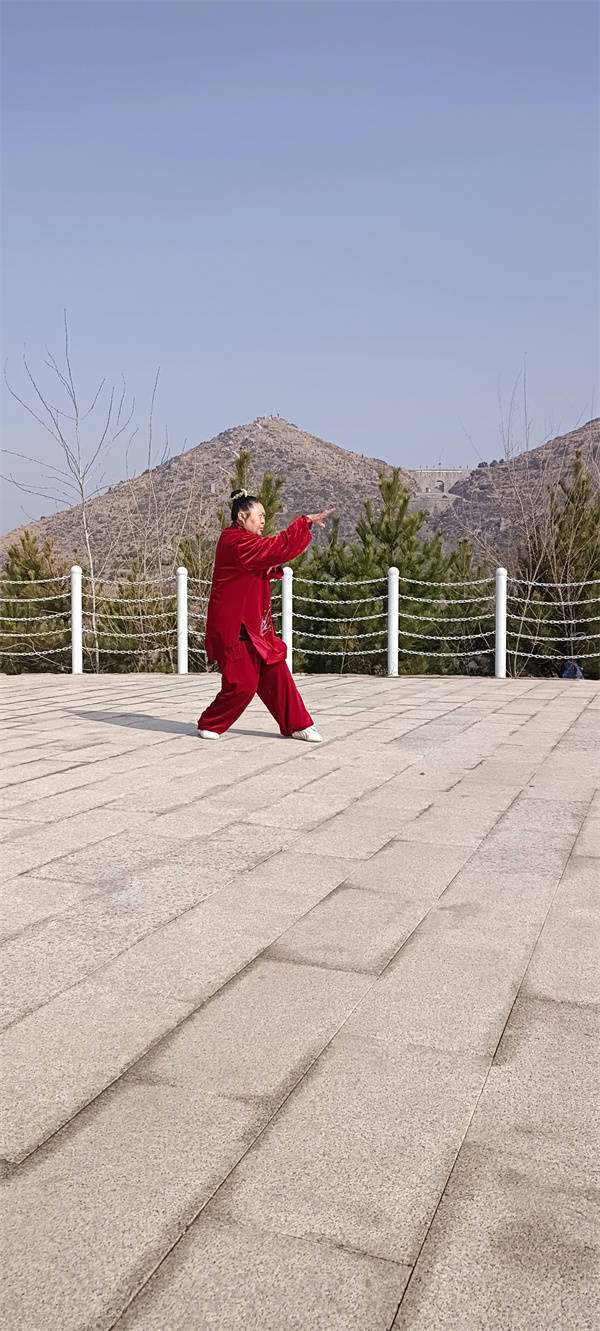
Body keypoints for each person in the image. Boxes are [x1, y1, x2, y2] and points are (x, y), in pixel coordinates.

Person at [198, 490, 334, 741]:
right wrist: (303, 523)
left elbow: (267, 558)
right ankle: (210, 722)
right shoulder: (234, 541)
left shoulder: (245, 542)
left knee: (276, 673)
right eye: (259, 515)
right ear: (242, 516)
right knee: (243, 685)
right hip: (236, 626)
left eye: (264, 516)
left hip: (255, 625)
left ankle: (298, 724)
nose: (263, 521)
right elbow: (276, 548)